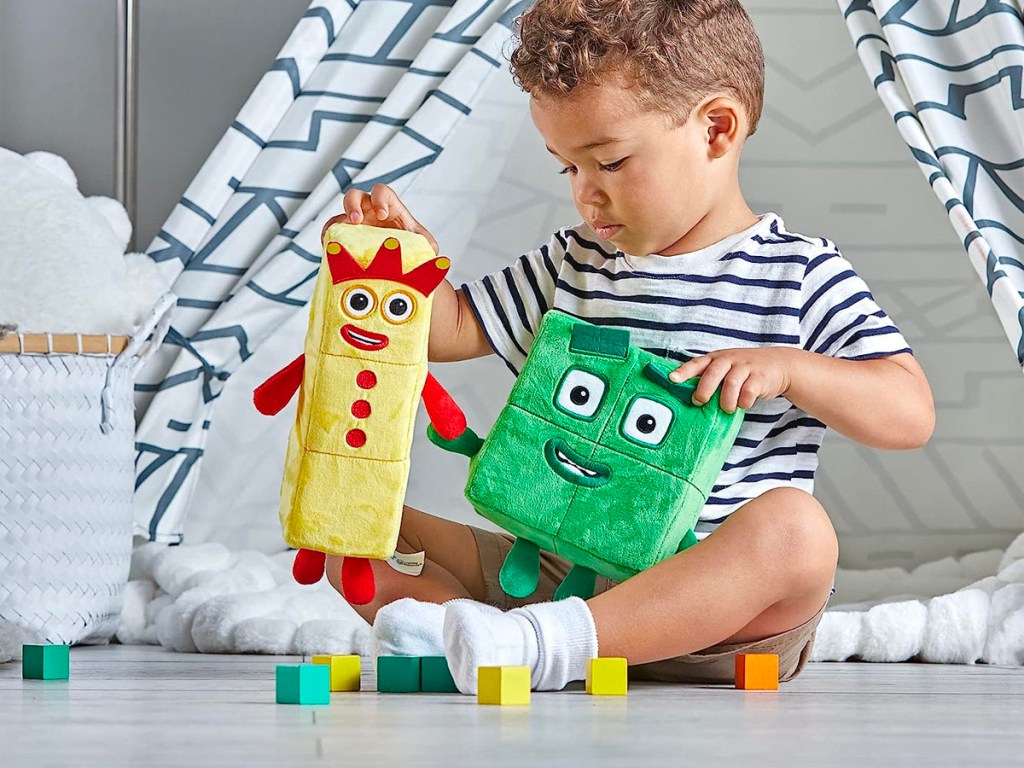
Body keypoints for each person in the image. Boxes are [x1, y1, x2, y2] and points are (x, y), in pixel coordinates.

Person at [324, 0, 935, 693]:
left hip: (718, 616)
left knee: (798, 533)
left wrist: (790, 370)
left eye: (609, 162)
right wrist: (407, 268)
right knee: (355, 519)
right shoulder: (576, 261)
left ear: (716, 129)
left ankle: (537, 648)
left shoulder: (798, 275)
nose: (586, 196)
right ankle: (471, 641)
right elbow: (454, 327)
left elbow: (909, 413)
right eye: (568, 170)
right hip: (556, 572)